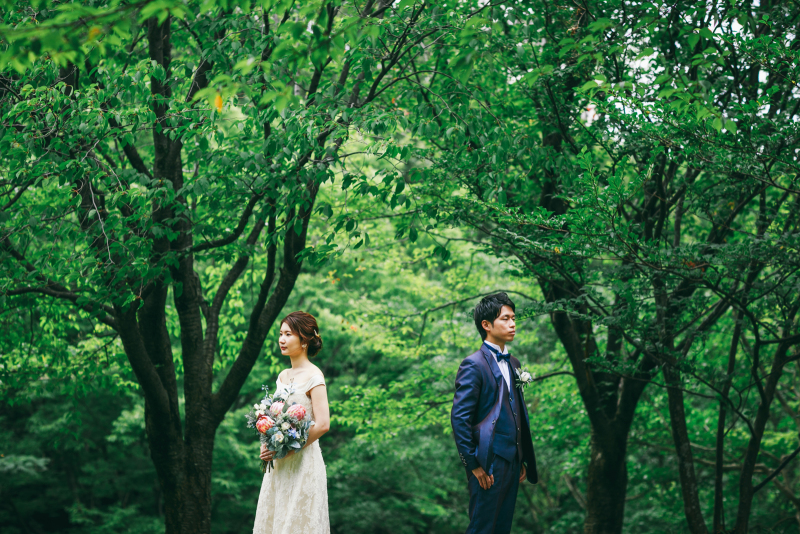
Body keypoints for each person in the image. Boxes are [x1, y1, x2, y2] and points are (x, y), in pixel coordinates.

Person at [451, 292, 538, 534]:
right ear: (486, 325)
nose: (512, 324)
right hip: (486, 463)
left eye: (513, 318)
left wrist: (520, 457)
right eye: (505, 319)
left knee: (502, 528)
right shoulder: (473, 364)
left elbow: (516, 411)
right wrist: (473, 465)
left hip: (512, 461)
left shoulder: (514, 363)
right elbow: (460, 418)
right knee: (482, 528)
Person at [253, 311, 331, 534]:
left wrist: (290, 449)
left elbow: (323, 423)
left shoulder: (315, 376)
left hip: (303, 461)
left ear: (304, 340)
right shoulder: (282, 376)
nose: (281, 339)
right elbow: (273, 416)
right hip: (279, 466)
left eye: (288, 334)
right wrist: (266, 443)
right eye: (280, 334)